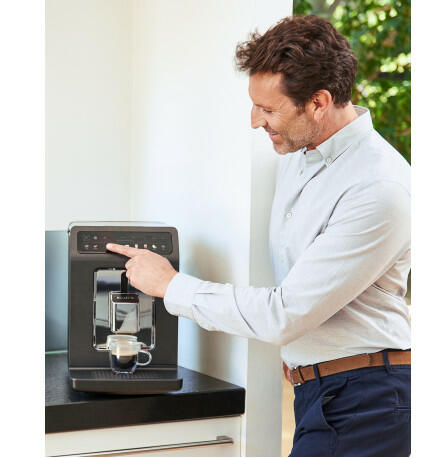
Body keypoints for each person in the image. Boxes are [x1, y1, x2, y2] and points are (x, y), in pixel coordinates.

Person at [107, 15, 411, 457]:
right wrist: (304, 355)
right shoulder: (298, 156)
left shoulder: (378, 188)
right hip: (325, 391)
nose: (255, 121)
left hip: (369, 401)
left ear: (319, 102)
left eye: (268, 109)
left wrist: (170, 286)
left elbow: (284, 312)